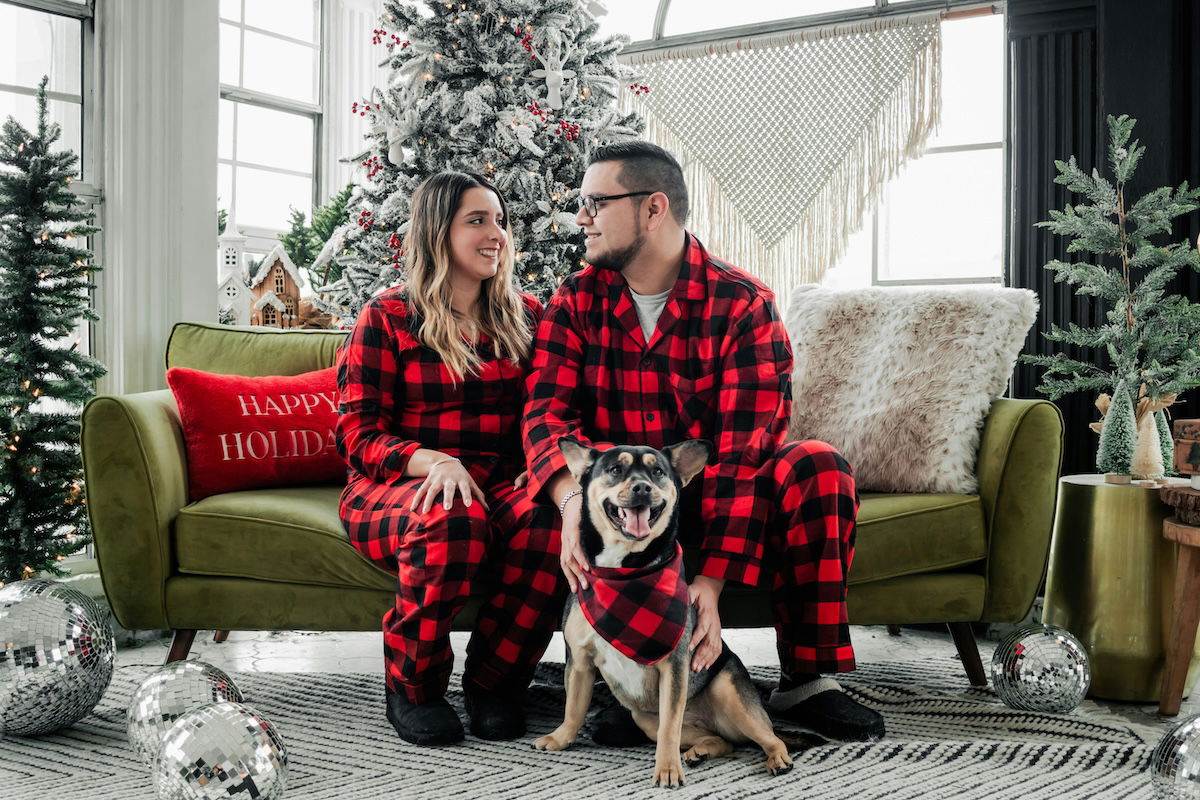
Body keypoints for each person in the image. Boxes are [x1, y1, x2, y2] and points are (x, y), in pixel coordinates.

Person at [521, 142, 885, 743]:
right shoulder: (575, 299)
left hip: (712, 504)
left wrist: (708, 585)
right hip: (607, 507)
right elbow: (545, 416)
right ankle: (608, 676)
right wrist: (568, 501)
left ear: (653, 208)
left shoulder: (743, 304)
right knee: (536, 491)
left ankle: (810, 680)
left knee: (817, 465)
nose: (580, 219)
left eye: (595, 203)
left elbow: (746, 453)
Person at [337, 170, 563, 746]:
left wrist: (535, 464)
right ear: (439, 232)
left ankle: (496, 682)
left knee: (550, 526)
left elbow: (547, 410)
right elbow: (358, 436)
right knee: (453, 517)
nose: (498, 234)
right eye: (478, 221)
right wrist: (431, 461)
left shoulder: (527, 316)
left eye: (501, 221)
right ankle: (413, 686)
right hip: (398, 483)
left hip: (498, 481)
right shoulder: (387, 317)